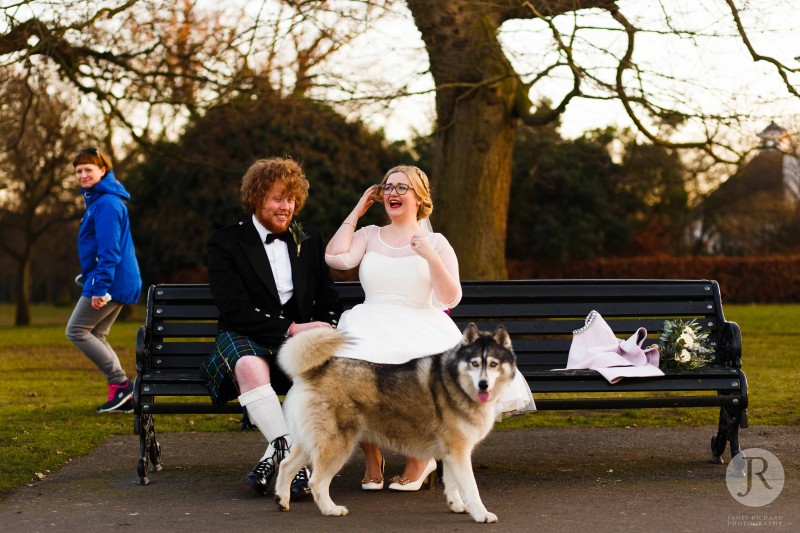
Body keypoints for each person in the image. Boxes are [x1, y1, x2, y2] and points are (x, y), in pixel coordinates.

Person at [325, 165, 535, 492]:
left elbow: (451, 296)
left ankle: (419, 460)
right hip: (370, 321)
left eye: (402, 188)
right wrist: (358, 209)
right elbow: (335, 257)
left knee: (426, 382)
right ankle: (372, 458)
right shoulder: (368, 235)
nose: (393, 192)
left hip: (420, 320)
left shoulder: (435, 241)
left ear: (419, 198)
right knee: (350, 378)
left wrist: (429, 255)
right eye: (388, 187)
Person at [201, 157, 343, 498]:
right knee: (248, 365)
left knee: (314, 372)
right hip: (246, 334)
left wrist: (324, 329)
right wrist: (291, 328)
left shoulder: (308, 237)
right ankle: (295, 457)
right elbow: (233, 309)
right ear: (256, 197)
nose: (287, 206)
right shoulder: (226, 242)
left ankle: (274, 454)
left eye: (292, 199)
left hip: (297, 341)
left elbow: (328, 297)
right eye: (278, 198)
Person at [66, 147, 142, 414]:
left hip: (110, 281)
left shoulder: (107, 203)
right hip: (114, 279)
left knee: (76, 330)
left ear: (103, 170)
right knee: (96, 333)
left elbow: (109, 250)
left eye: (88, 169)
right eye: (78, 171)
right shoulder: (100, 201)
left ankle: (121, 384)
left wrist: (99, 288)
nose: (83, 174)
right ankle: (124, 394)